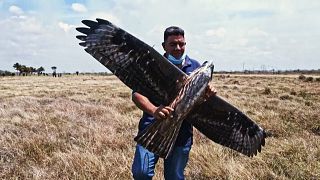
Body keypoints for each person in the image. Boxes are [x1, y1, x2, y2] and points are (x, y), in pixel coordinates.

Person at [131, 26, 216, 179]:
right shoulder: (153, 64)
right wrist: (154, 110)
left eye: (181, 44)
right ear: (164, 46)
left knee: (174, 177)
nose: (178, 48)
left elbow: (198, 107)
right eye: (173, 44)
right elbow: (137, 95)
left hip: (181, 135)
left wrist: (206, 97)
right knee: (141, 173)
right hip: (152, 129)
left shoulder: (196, 67)